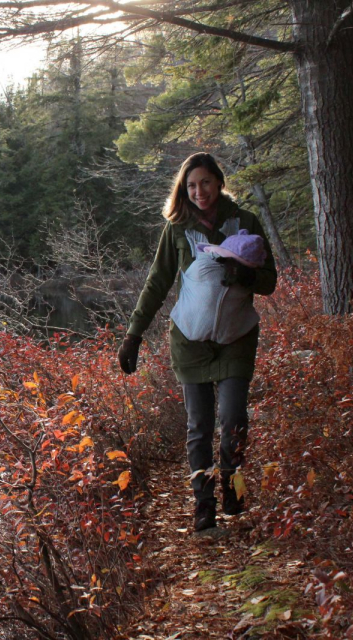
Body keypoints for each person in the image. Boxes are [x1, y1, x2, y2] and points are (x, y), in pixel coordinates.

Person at [117, 152, 277, 532]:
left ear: (219, 182)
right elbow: (157, 282)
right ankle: (204, 506)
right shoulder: (176, 229)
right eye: (191, 185)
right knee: (199, 425)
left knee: (234, 419)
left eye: (205, 182)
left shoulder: (246, 222)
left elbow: (269, 282)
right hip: (190, 340)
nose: (199, 191)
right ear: (183, 190)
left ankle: (232, 487)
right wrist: (133, 335)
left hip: (236, 338)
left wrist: (245, 275)